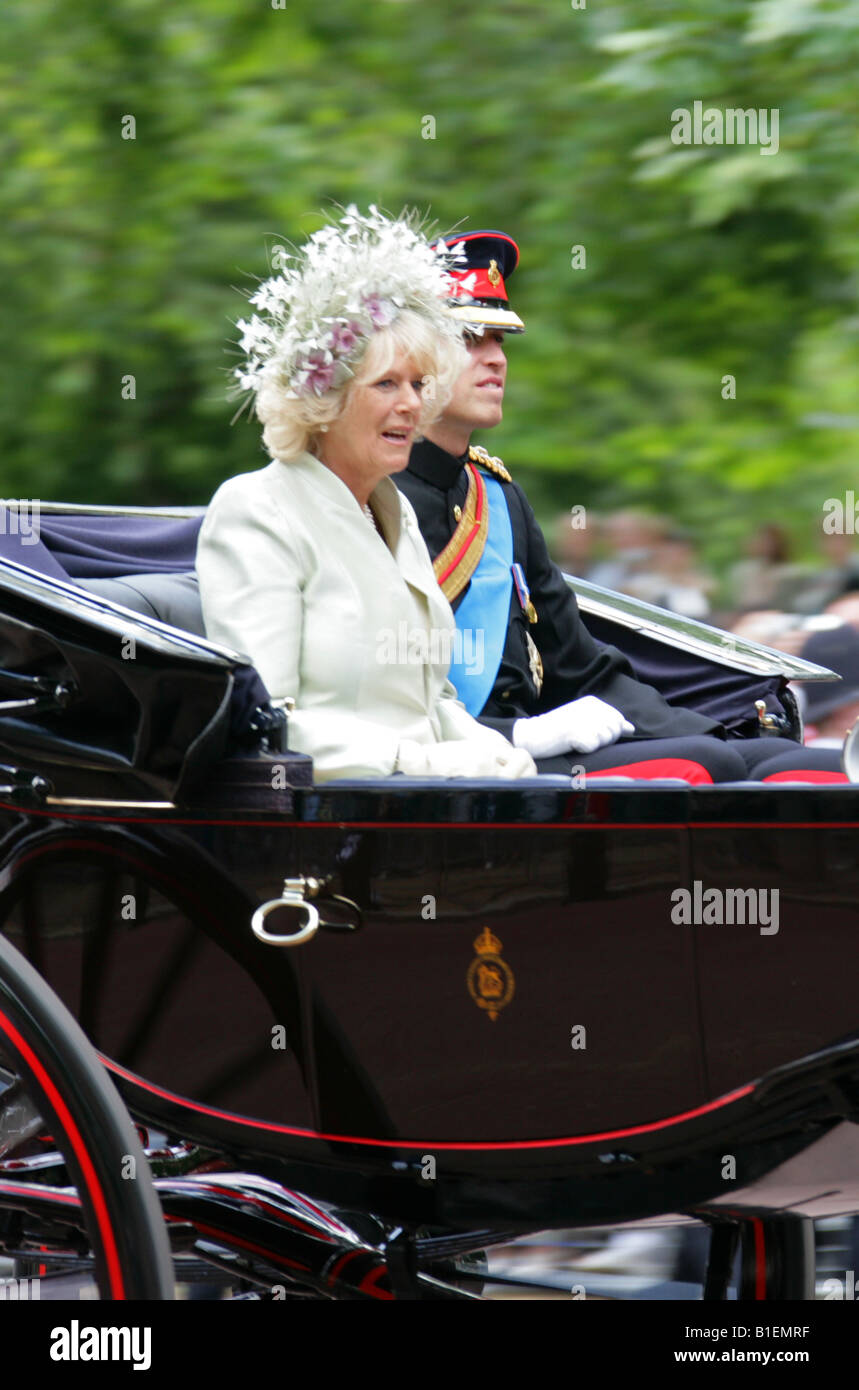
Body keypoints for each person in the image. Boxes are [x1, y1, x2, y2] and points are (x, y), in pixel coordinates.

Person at [396, 229, 847, 784]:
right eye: (472, 339)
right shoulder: (375, 496)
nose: (496, 360)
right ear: (412, 357)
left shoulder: (498, 497)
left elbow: (583, 669)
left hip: (530, 748)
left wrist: (708, 727)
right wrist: (518, 735)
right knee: (708, 766)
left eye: (502, 341)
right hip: (456, 759)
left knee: (782, 761)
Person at [196, 207, 536, 783]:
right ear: (324, 401)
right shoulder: (257, 511)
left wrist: (498, 753)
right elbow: (264, 723)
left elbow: (434, 703)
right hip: (325, 827)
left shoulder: (389, 509)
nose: (411, 404)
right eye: (386, 384)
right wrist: (419, 762)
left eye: (417, 384)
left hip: (416, 810)